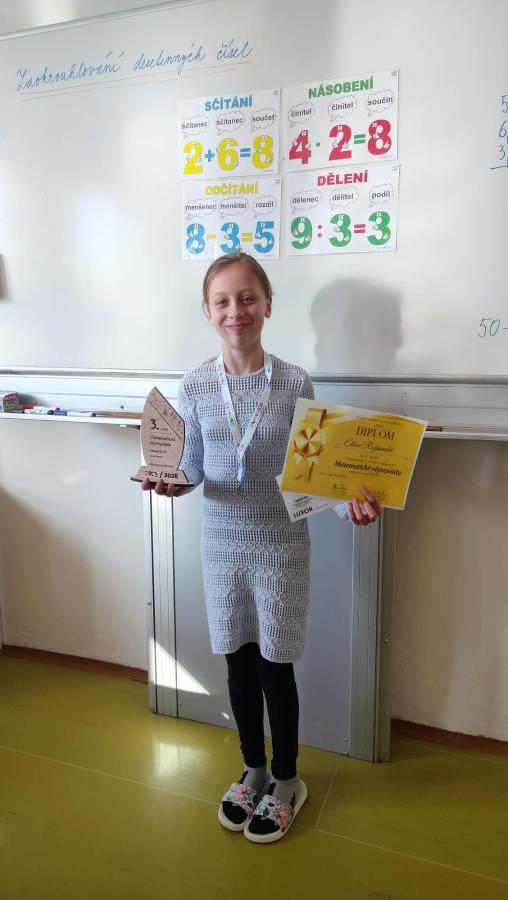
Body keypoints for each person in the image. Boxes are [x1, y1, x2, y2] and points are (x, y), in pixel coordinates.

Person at [142, 251, 382, 844]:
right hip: (222, 547)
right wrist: (173, 483)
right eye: (222, 301)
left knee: (276, 665)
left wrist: (350, 503)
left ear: (268, 305)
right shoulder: (195, 385)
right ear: (207, 311)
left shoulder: (295, 382)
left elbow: (313, 473)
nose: (236, 311)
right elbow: (194, 466)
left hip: (281, 548)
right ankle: (252, 769)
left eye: (248, 298)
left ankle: (287, 780)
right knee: (236, 662)